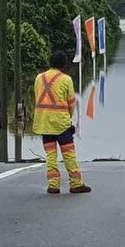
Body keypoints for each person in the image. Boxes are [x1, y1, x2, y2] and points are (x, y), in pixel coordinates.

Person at [33, 51, 91, 194]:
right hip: (61, 124)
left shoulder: (39, 78)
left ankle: (54, 185)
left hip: (43, 123)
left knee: (51, 155)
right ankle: (76, 183)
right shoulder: (66, 79)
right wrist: (68, 117)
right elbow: (71, 103)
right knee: (69, 154)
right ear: (64, 65)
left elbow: (37, 97)